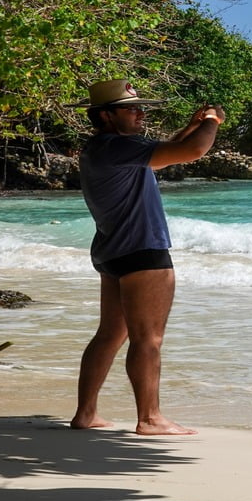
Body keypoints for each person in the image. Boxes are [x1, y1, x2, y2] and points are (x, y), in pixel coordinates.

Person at [67, 79, 225, 435]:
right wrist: (213, 121)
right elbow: (193, 152)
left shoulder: (102, 148)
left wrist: (192, 125)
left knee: (109, 334)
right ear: (106, 116)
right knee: (148, 339)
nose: (141, 114)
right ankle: (150, 418)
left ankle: (86, 413)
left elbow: (161, 156)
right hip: (142, 250)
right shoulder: (118, 147)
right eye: (131, 109)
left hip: (113, 251)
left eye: (141, 108)